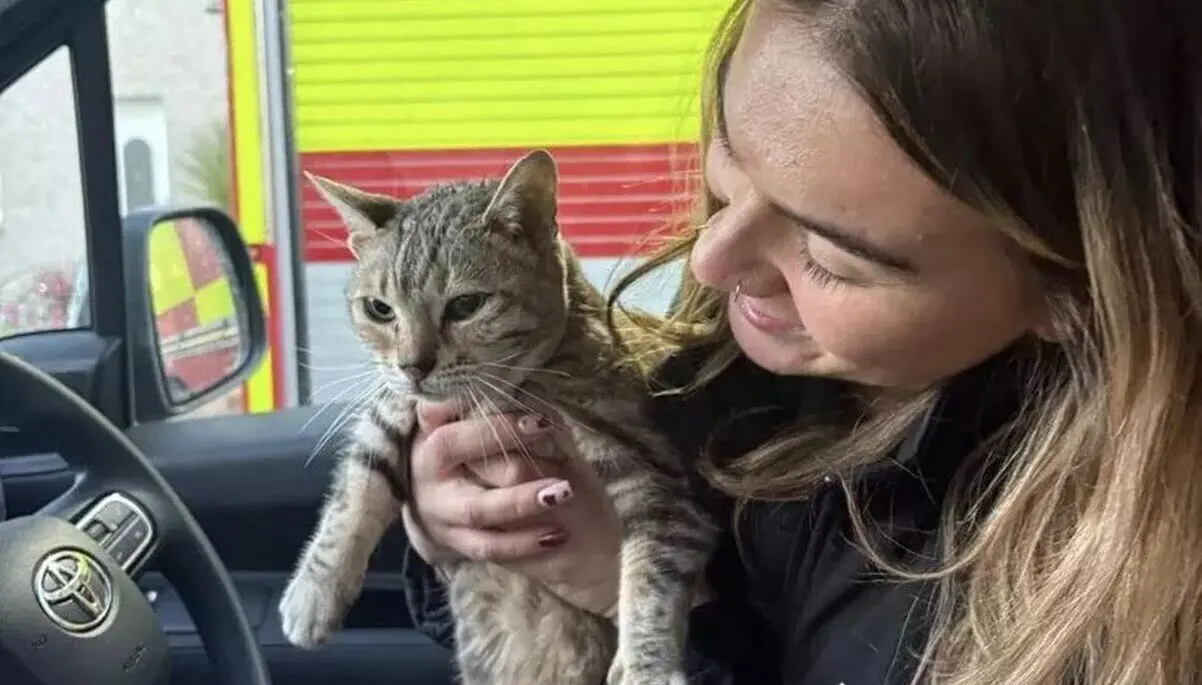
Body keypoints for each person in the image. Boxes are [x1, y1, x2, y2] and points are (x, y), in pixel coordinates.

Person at [398, 1, 1202, 683]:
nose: (712, 262)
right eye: (729, 158)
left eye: (829, 257)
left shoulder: (1082, 609)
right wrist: (479, 540)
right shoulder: (717, 381)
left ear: (1077, 291)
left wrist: (644, 596)